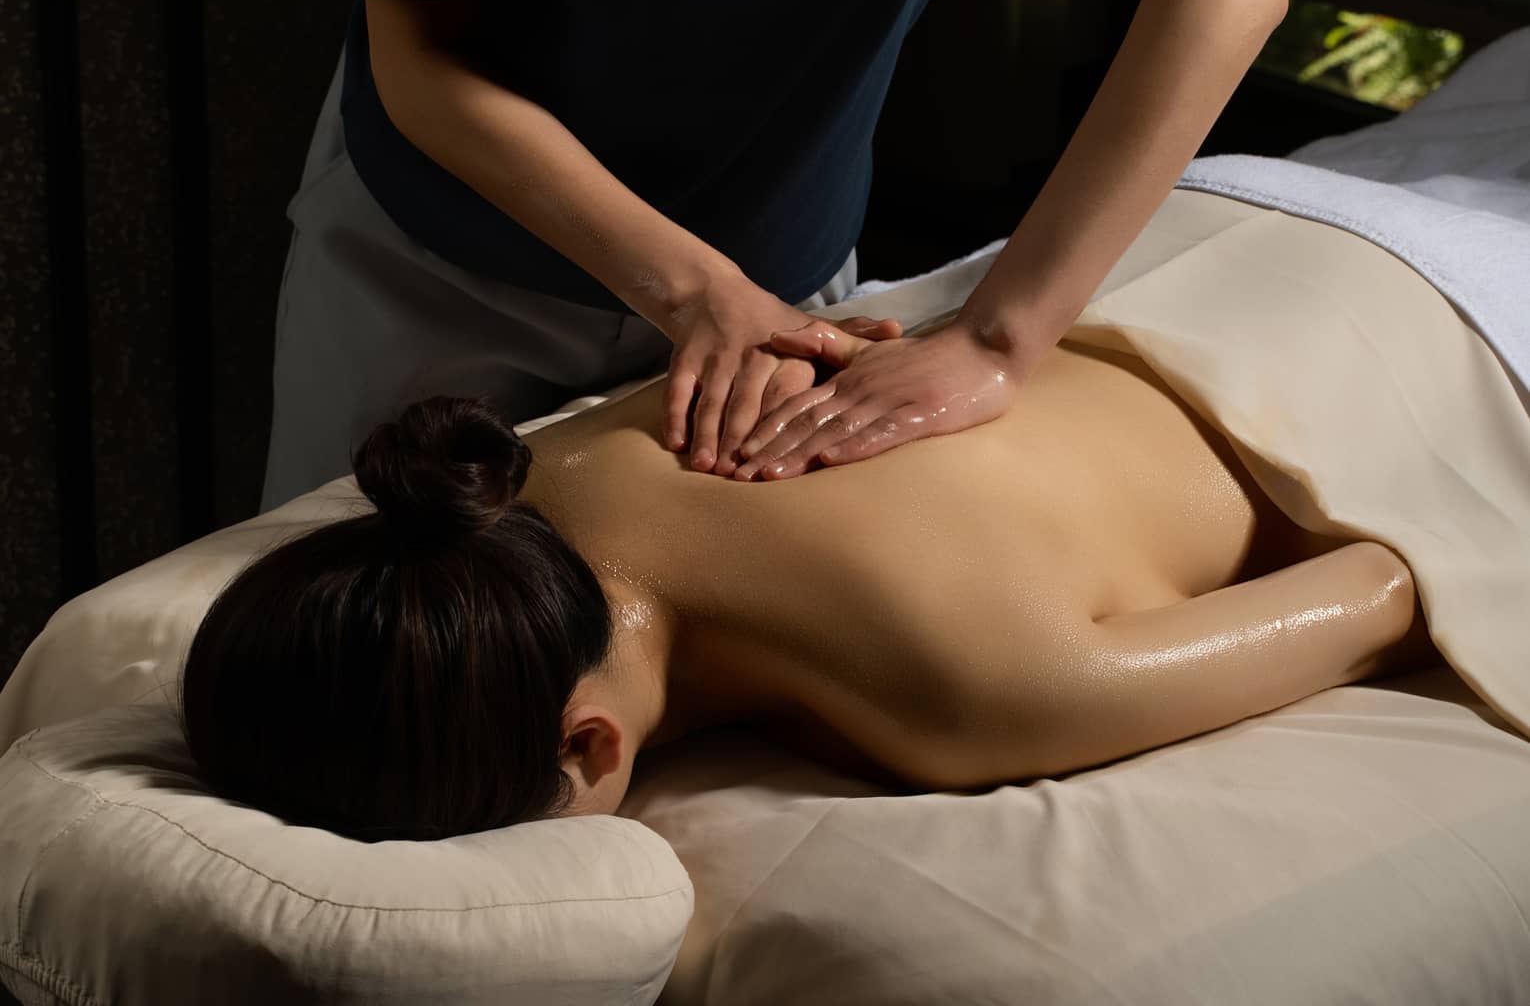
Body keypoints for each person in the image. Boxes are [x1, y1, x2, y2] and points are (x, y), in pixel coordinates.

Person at [261, 0, 1286, 513]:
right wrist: (700, 294)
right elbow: (424, 65)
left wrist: (997, 337)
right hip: (443, 269)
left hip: (780, 292)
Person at [184, 325, 1440, 841]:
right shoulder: (529, 467)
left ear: (587, 748)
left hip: (1401, 342)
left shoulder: (964, 691)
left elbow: (1386, 586)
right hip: (1205, 225)